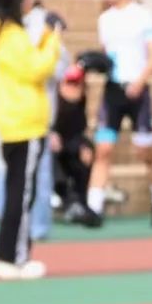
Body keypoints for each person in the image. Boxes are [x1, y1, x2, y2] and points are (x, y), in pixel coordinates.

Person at [0, 0, 61, 281]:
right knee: (22, 196)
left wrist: (45, 37)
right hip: (25, 122)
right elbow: (37, 69)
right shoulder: (11, 35)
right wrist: (53, 39)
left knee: (17, 193)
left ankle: (6, 255)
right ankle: (14, 258)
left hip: (12, 121)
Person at [0, 0, 69, 240]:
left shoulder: (29, 25)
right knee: (18, 178)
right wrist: (52, 41)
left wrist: (51, 40)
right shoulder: (6, 30)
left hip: (22, 116)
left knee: (28, 178)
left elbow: (56, 68)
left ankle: (28, 230)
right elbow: (38, 68)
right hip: (20, 115)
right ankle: (16, 233)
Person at [91, 0, 152, 226]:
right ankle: (94, 206)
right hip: (113, 90)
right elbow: (106, 53)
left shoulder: (144, 16)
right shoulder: (105, 19)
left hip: (138, 90)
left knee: (145, 151)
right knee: (103, 149)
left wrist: (140, 80)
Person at [50, 63, 101, 227]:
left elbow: (78, 131)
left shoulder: (80, 103)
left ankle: (81, 202)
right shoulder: (52, 100)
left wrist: (83, 146)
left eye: (77, 84)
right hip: (51, 145)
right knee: (50, 157)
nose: (72, 88)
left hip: (70, 144)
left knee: (87, 151)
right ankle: (69, 201)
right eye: (70, 83)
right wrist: (51, 134)